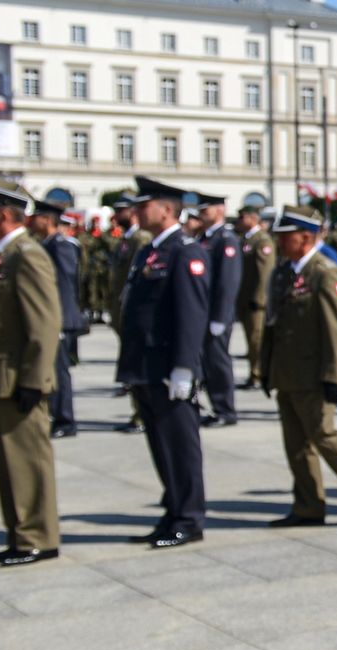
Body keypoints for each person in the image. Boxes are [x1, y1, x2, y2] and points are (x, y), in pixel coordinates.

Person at [262, 205, 337, 529]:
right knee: (296, 444)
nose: (279, 241)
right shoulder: (284, 272)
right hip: (287, 372)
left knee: (325, 435)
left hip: (314, 374)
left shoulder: (325, 273)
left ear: (305, 237)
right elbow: (274, 325)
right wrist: (266, 368)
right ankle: (308, 506)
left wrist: (334, 376)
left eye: (285, 236)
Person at [0, 179, 62, 566]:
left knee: (27, 462)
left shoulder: (27, 255)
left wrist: (33, 380)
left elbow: (44, 324)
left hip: (16, 379)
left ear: (3, 215)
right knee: (9, 465)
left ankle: (38, 537)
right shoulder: (1, 255)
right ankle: (20, 535)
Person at [117, 176, 210, 549]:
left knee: (179, 445)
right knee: (160, 443)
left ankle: (189, 517)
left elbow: (191, 314)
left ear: (167, 209)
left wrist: (185, 367)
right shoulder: (148, 251)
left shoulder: (186, 251)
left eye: (144, 206)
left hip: (169, 365)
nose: (137, 212)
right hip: (145, 364)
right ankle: (172, 509)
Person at [26, 199, 84, 439]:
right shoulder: (47, 244)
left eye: (37, 217)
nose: (32, 221)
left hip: (59, 317)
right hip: (53, 317)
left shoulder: (61, 245)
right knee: (52, 368)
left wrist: (57, 319)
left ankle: (65, 419)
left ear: (48, 220)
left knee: (60, 371)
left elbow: (63, 285)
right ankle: (56, 414)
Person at [195, 193, 241, 428]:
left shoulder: (226, 239)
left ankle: (225, 409)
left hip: (216, 312)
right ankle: (213, 405)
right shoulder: (203, 238)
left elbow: (227, 281)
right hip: (202, 311)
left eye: (206, 210)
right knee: (205, 361)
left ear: (220, 211)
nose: (202, 214)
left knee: (217, 361)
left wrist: (220, 316)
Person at [107, 194, 151, 434]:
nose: (116, 215)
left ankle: (140, 415)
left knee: (136, 359)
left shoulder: (140, 239)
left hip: (131, 308)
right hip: (121, 307)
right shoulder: (127, 238)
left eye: (120, 211)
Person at [236, 204, 276, 390]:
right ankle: (254, 372)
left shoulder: (262, 241)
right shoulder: (245, 239)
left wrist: (259, 299)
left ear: (253, 219)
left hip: (255, 301)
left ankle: (258, 373)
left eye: (242, 217)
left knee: (256, 339)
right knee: (250, 339)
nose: (239, 221)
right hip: (245, 298)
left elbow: (264, 273)